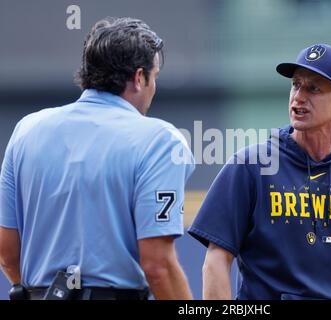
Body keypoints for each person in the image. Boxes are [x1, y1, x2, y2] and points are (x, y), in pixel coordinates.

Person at [188, 44, 331, 300]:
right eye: (296, 84)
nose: (298, 97)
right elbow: (216, 258)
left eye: (313, 88)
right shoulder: (251, 164)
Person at [0, 17, 194, 300]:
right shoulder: (160, 140)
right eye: (155, 76)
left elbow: (7, 253)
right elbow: (158, 266)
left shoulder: (26, 130)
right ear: (140, 78)